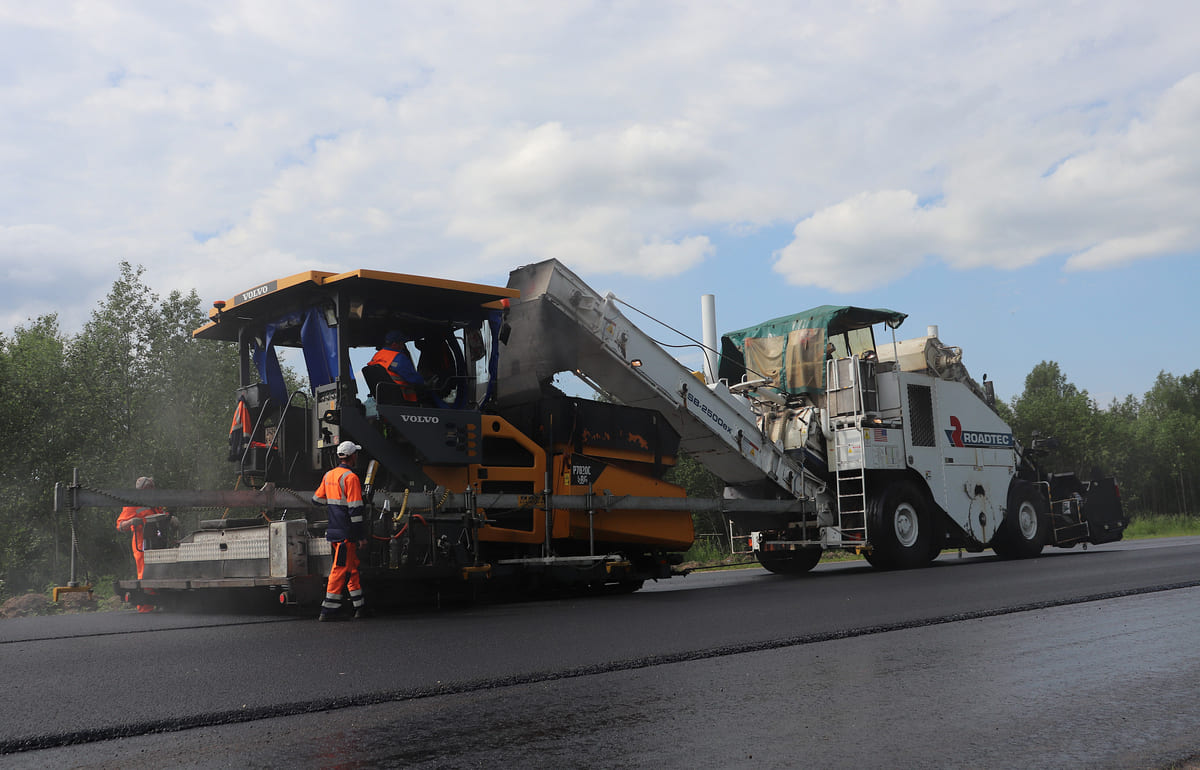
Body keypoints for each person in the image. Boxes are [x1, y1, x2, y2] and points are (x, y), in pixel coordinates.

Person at [313, 441, 368, 621]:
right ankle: (328, 610)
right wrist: (360, 536)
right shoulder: (351, 478)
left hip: (334, 531)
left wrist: (334, 504)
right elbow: (355, 511)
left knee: (351, 568)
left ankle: (360, 607)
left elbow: (316, 500)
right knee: (340, 569)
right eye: (356, 454)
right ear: (352, 456)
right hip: (347, 534)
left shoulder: (329, 475)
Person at [116, 476, 168, 613]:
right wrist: (132, 521)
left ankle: (162, 602)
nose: (151, 490)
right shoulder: (132, 503)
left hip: (159, 540)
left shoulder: (156, 503)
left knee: (163, 571)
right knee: (145, 572)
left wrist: (170, 519)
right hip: (142, 542)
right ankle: (145, 606)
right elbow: (120, 525)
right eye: (147, 488)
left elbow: (163, 514)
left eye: (152, 488)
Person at [368, 331, 425, 403]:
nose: (403, 346)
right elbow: (414, 379)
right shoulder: (398, 357)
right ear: (394, 344)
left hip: (384, 397)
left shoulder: (377, 356)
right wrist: (425, 382)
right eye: (402, 343)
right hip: (405, 397)